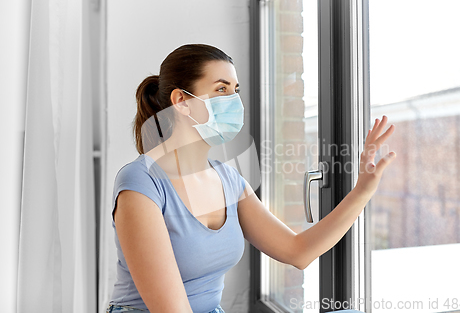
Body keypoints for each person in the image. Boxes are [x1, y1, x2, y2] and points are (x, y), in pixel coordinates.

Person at [106, 44, 396, 313]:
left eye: (235, 90)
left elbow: (298, 251)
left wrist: (362, 191)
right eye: (221, 89)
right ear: (181, 100)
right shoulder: (142, 183)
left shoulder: (228, 179)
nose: (234, 101)